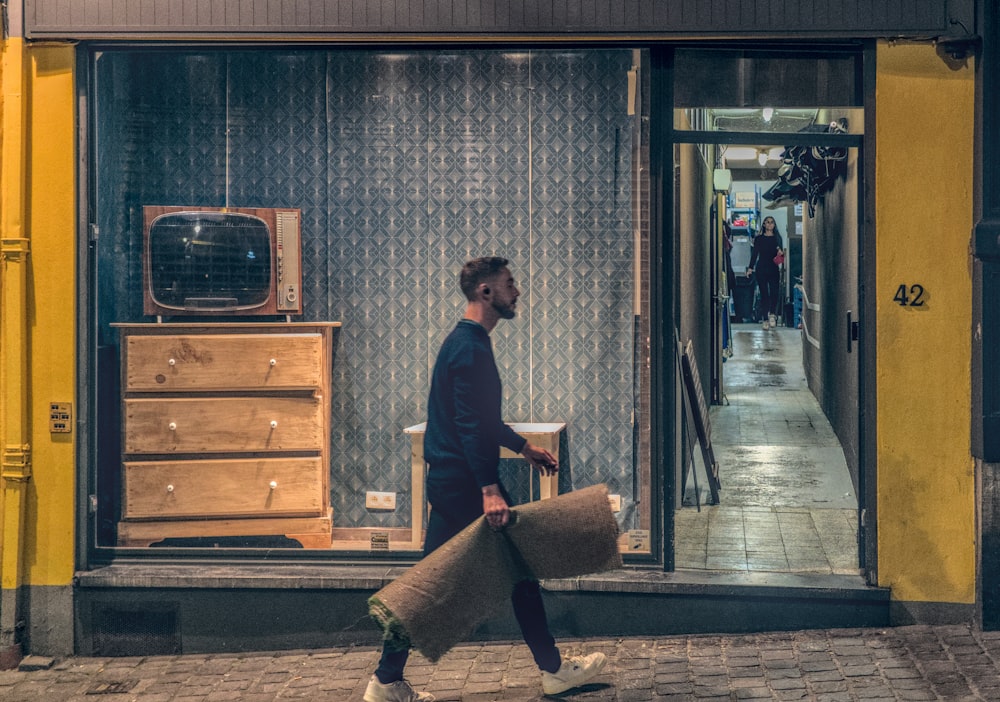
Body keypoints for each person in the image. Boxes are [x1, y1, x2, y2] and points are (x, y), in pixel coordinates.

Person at [364, 256, 608, 702]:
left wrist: (523, 447)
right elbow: (472, 426)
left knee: (484, 578)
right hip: (464, 487)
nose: (517, 292)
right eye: (509, 284)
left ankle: (388, 680)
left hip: (455, 482)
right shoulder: (471, 348)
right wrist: (490, 490)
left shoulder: (465, 344)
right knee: (430, 587)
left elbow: (479, 418)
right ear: (486, 293)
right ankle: (385, 681)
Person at [746, 216, 784, 329]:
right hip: (761, 268)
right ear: (764, 224)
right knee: (764, 294)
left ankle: (772, 314)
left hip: (773, 268)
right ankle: (765, 319)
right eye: (767, 222)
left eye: (772, 222)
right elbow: (755, 254)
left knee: (774, 292)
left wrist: (781, 254)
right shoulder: (759, 239)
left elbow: (781, 255)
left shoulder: (777, 238)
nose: (769, 224)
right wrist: (750, 268)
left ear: (774, 225)